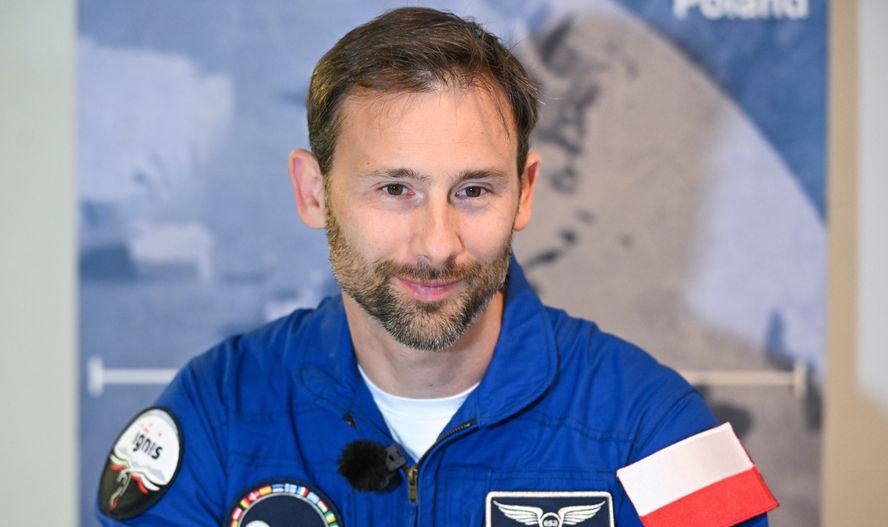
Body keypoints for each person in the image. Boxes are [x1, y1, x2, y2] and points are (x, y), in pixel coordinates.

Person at [97, 7, 775, 527]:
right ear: (313, 192)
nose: (437, 244)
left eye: (473, 190)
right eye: (396, 189)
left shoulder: (656, 425)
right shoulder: (216, 410)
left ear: (525, 192)